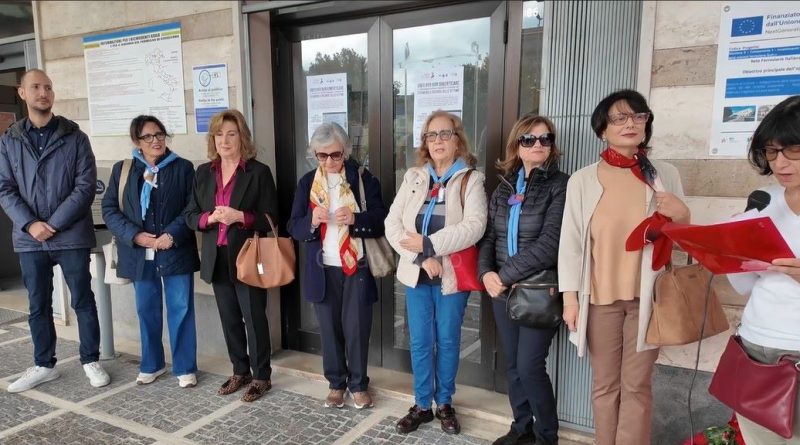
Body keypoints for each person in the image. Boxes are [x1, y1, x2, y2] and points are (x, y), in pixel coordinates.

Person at [558, 89, 690, 445]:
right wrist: (570, 298)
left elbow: (683, 237)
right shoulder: (583, 180)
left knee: (637, 385)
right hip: (599, 298)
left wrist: (683, 214)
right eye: (619, 118)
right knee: (605, 385)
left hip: (649, 299)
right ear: (602, 129)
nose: (630, 124)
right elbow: (570, 243)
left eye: (638, 116)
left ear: (647, 123)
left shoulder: (665, 175)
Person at [0, 69, 110, 392]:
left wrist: (54, 224)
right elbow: (5, 189)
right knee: (38, 304)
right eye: (35, 87)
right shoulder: (9, 141)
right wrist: (32, 224)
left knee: (83, 300)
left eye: (48, 87)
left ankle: (91, 359)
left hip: (71, 234)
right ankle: (44, 364)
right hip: (29, 238)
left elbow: (85, 186)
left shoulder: (75, 137)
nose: (43, 92)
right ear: (22, 93)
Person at [385, 110, 487, 435]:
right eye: (432, 135)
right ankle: (421, 405)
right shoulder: (413, 177)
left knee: (447, 340)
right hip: (417, 274)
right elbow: (392, 225)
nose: (438, 141)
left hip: (451, 277)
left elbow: (474, 226)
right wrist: (419, 257)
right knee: (419, 342)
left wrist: (430, 245)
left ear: (457, 139)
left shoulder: (471, 179)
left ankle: (444, 403)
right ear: (425, 143)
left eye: (445, 134)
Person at [478, 114, 568, 445]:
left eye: (546, 139)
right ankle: (521, 428)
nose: (539, 145)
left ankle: (547, 437)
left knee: (530, 366)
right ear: (517, 145)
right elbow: (488, 237)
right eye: (529, 139)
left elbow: (550, 244)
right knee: (514, 366)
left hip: (537, 290)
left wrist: (502, 275)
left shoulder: (561, 185)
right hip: (502, 291)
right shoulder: (503, 187)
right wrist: (485, 273)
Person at [287, 123, 388, 410]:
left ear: (345, 152)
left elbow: (382, 217)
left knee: (357, 328)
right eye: (322, 156)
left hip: (356, 265)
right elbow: (294, 226)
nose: (329, 161)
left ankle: (358, 384)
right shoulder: (307, 183)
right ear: (314, 155)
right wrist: (312, 221)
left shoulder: (363, 179)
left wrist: (357, 219)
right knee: (329, 330)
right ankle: (335, 383)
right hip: (322, 267)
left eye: (335, 155)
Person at [184, 109, 278, 402]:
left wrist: (241, 216)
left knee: (254, 318)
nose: (224, 140)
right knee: (229, 319)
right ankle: (240, 370)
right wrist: (209, 219)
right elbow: (190, 215)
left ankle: (262, 376)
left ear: (242, 137)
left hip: (248, 256)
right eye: (219, 134)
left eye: (231, 133)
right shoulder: (203, 172)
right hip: (217, 256)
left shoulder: (258, 172)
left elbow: (272, 218)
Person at [102, 115, 200, 388]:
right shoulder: (124, 169)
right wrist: (136, 236)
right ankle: (152, 364)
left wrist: (171, 234)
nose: (156, 141)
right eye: (148, 137)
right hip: (139, 252)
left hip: (174, 249)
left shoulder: (183, 168)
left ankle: (184, 367)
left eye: (159, 134)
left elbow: (192, 207)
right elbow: (110, 209)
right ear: (137, 141)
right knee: (147, 309)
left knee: (181, 309)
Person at [726, 95, 800, 444]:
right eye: (772, 152)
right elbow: (744, 285)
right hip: (756, 347)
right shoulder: (764, 201)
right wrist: (731, 252)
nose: (780, 163)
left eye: (792, 150)